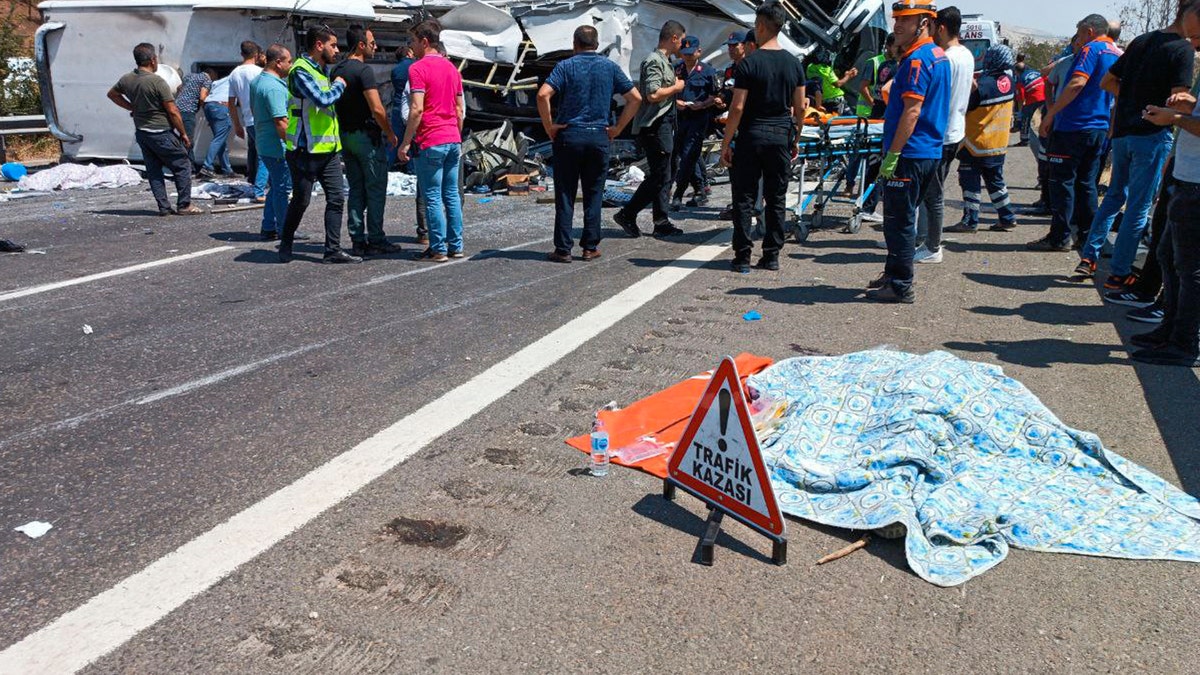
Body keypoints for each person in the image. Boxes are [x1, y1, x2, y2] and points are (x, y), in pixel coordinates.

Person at [1073, 8, 1195, 289]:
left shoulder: (1141, 40)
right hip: (1152, 134)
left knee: (1114, 196)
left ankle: (1088, 257)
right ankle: (1119, 272)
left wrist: (1132, 98)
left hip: (1123, 133)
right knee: (1139, 207)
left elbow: (1108, 81)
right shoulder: (1182, 50)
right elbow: (1179, 100)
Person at [867, 0, 950, 303]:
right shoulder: (937, 56)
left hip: (911, 153)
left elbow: (912, 112)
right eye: (896, 19)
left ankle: (901, 284)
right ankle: (893, 273)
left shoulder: (917, 61)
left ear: (924, 23)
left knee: (899, 221)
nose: (897, 25)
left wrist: (893, 154)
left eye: (906, 20)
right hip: (927, 151)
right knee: (901, 217)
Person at [538, 25, 641, 263]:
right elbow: (635, 98)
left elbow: (543, 95)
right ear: (596, 44)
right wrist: (617, 128)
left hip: (570, 135)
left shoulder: (565, 66)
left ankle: (563, 249)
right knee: (594, 193)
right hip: (598, 136)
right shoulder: (610, 67)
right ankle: (590, 246)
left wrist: (549, 126)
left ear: (575, 44)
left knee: (565, 193)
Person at [1134, 6, 1200, 367]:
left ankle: (1186, 343)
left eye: (1197, 37)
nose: (1192, 45)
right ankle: (1170, 331)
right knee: (1169, 259)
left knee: (1190, 269)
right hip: (1186, 177)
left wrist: (1173, 117)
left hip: (1196, 185)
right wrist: (1187, 106)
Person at [720, 1, 806, 273]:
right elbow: (800, 107)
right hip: (780, 135)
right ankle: (771, 256)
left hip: (751, 135)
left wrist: (726, 142)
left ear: (760, 26)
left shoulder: (748, 65)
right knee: (776, 197)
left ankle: (743, 256)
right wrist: (796, 137)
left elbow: (737, 107)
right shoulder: (794, 64)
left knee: (744, 197)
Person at [1030, 14, 1121, 253]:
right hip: (1098, 129)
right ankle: (1086, 236)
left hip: (1073, 127)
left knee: (1062, 182)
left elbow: (1077, 83)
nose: (1077, 40)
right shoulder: (1116, 52)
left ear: (1089, 31)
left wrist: (1051, 114)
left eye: (1079, 34)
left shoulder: (1091, 49)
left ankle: (1060, 237)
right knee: (1087, 183)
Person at [280, 25, 359, 264]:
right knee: (301, 201)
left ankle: (332, 250)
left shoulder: (322, 71)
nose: (337, 50)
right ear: (318, 45)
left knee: (336, 198)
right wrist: (340, 85)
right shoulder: (301, 71)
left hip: (328, 151)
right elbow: (323, 100)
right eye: (333, 45)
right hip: (305, 151)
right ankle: (286, 242)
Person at [398, 20, 466, 263]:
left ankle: (438, 248)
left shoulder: (417, 69)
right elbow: (459, 110)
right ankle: (456, 245)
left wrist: (406, 142)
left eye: (414, 41)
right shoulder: (452, 69)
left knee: (433, 196)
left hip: (431, 139)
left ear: (424, 42)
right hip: (452, 138)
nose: (412, 46)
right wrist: (456, 134)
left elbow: (416, 109)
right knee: (452, 195)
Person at [107, 43, 202, 216]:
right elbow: (173, 111)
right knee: (182, 165)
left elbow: (112, 94)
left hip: (142, 132)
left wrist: (132, 107)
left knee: (154, 170)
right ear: (152, 60)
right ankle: (184, 205)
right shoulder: (158, 82)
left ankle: (164, 207)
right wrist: (183, 134)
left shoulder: (126, 79)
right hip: (161, 131)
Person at [332, 24, 402, 258]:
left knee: (356, 189)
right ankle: (376, 238)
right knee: (375, 188)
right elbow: (377, 108)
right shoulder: (364, 71)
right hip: (366, 136)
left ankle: (357, 239)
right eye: (372, 43)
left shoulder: (338, 69)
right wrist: (390, 133)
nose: (376, 47)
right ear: (361, 44)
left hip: (345, 135)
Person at [612, 21, 687, 238]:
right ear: (673, 38)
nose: (682, 44)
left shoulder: (666, 61)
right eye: (681, 40)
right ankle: (628, 213)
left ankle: (661, 221)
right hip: (655, 126)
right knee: (659, 176)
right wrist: (676, 87)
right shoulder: (653, 61)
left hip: (665, 124)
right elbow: (652, 94)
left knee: (667, 173)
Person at [912, 5, 972, 266]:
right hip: (955, 129)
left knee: (932, 194)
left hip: (941, 133)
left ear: (942, 28)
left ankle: (931, 245)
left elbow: (936, 98)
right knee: (929, 192)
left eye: (933, 26)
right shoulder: (966, 55)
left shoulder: (947, 58)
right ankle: (922, 239)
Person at [945, 44, 1018, 234]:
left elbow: (965, 106)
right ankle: (1007, 217)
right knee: (996, 181)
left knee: (969, 181)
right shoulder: (1009, 80)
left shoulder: (984, 85)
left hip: (976, 142)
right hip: (998, 143)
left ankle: (970, 220)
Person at [250, 44, 296, 241]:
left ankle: (269, 226)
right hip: (278, 146)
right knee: (282, 189)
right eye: (289, 62)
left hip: (265, 142)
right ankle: (285, 230)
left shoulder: (258, 81)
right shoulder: (273, 87)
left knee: (276, 187)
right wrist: (294, 147)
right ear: (278, 63)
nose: (291, 66)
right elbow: (281, 122)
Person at [670, 36, 721, 210]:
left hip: (699, 118)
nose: (688, 57)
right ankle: (700, 189)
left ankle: (679, 193)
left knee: (688, 154)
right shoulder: (676, 69)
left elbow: (715, 96)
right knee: (681, 153)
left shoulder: (707, 71)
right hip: (680, 117)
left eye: (691, 54)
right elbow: (669, 91)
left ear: (699, 51)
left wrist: (703, 104)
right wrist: (676, 103)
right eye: (684, 54)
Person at [228, 40, 268, 202]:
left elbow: (231, 102)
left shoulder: (234, 73)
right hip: (262, 119)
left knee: (253, 151)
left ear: (241, 54)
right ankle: (259, 191)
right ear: (257, 55)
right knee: (265, 155)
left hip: (247, 119)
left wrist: (237, 124)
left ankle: (252, 180)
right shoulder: (260, 72)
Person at [199, 73, 234, 177]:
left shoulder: (217, 82)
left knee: (220, 139)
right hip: (220, 105)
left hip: (209, 106)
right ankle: (207, 166)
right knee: (219, 139)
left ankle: (227, 170)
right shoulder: (236, 79)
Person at [175, 69, 210, 169]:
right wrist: (205, 109)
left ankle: (190, 166)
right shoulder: (207, 79)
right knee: (187, 140)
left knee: (182, 138)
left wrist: (184, 97)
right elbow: (203, 97)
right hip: (187, 111)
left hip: (176, 108)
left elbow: (178, 88)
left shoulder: (188, 76)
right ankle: (185, 167)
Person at [806, 49, 856, 115]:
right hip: (836, 100)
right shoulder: (826, 69)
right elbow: (838, 84)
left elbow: (824, 80)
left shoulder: (810, 67)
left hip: (824, 102)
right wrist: (848, 75)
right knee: (850, 119)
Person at [390, 45, 416, 170]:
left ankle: (390, 165)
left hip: (397, 105)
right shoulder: (415, 66)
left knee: (395, 138)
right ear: (408, 54)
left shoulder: (395, 70)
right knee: (412, 138)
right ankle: (412, 167)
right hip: (412, 106)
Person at [1015, 59, 1046, 146]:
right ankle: (1045, 138)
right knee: (1045, 116)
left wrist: (1021, 111)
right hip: (1045, 95)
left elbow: (1020, 98)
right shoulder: (1035, 72)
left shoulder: (1020, 79)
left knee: (1025, 118)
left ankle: (1024, 140)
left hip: (1033, 98)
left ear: (1017, 72)